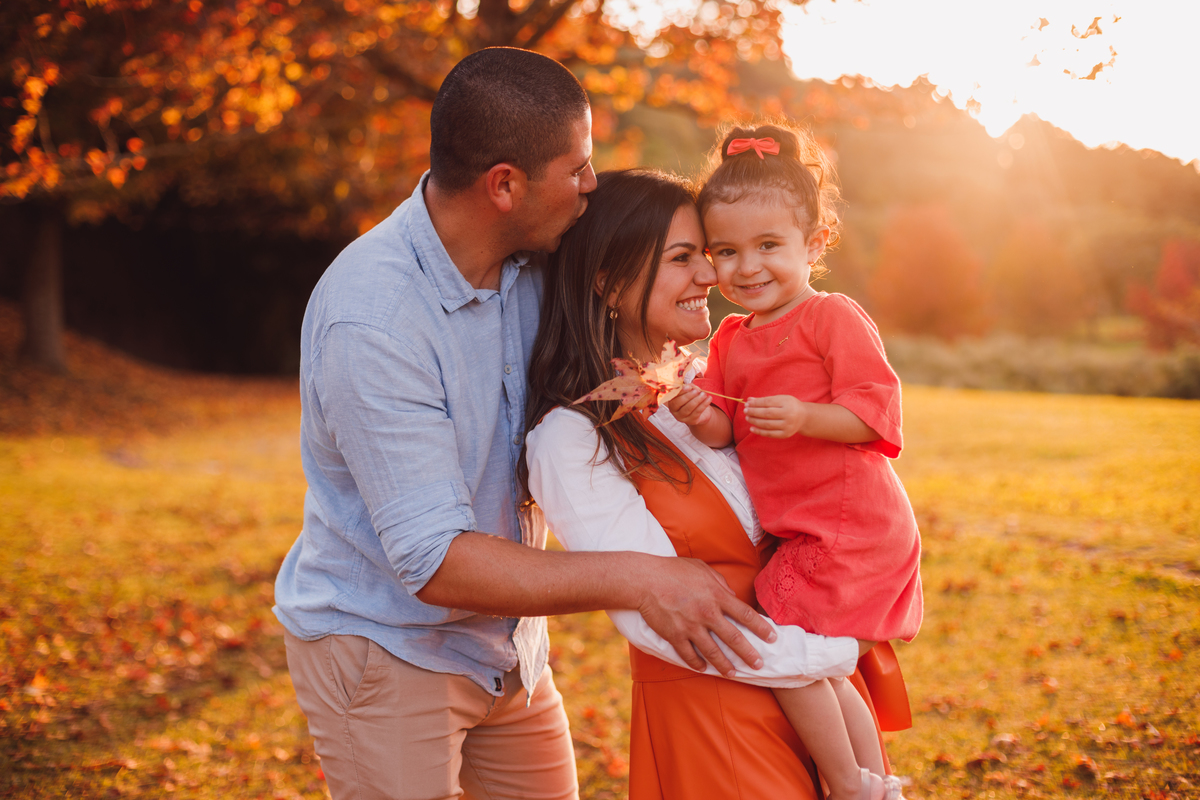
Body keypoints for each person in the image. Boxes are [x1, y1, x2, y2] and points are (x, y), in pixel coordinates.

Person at [272, 49, 779, 800]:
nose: (591, 185)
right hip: (387, 650)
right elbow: (436, 562)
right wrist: (647, 579)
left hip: (508, 649)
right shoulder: (373, 319)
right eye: (576, 169)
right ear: (503, 185)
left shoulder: (535, 261)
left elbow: (600, 353)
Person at [523, 168, 908, 800]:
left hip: (817, 702)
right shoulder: (574, 436)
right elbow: (658, 618)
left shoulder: (720, 381)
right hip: (721, 713)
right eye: (685, 259)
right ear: (608, 281)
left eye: (707, 255)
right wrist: (829, 655)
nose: (712, 276)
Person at [666, 122, 923, 800]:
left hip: (850, 526)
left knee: (780, 656)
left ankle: (843, 784)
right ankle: (878, 786)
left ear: (815, 244)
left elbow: (876, 415)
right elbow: (727, 430)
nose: (747, 267)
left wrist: (808, 417)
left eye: (769, 246)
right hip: (801, 529)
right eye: (727, 251)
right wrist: (700, 415)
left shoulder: (830, 317)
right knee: (823, 669)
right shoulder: (731, 337)